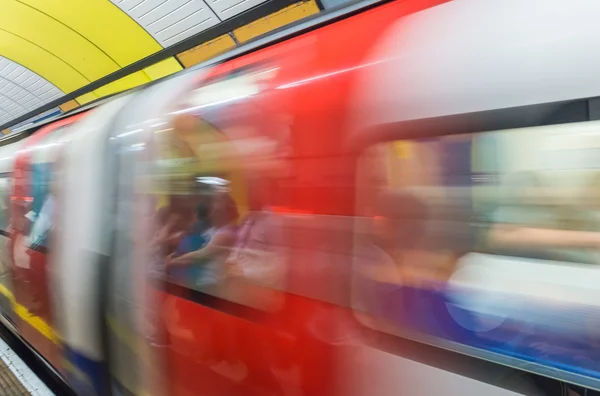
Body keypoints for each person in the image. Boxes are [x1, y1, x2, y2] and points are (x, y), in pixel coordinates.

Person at [168, 193, 238, 290]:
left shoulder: (226, 233)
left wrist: (172, 262)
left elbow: (200, 255)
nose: (212, 211)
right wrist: (175, 255)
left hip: (211, 285)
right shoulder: (214, 229)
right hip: (200, 282)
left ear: (224, 213)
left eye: (216, 208)